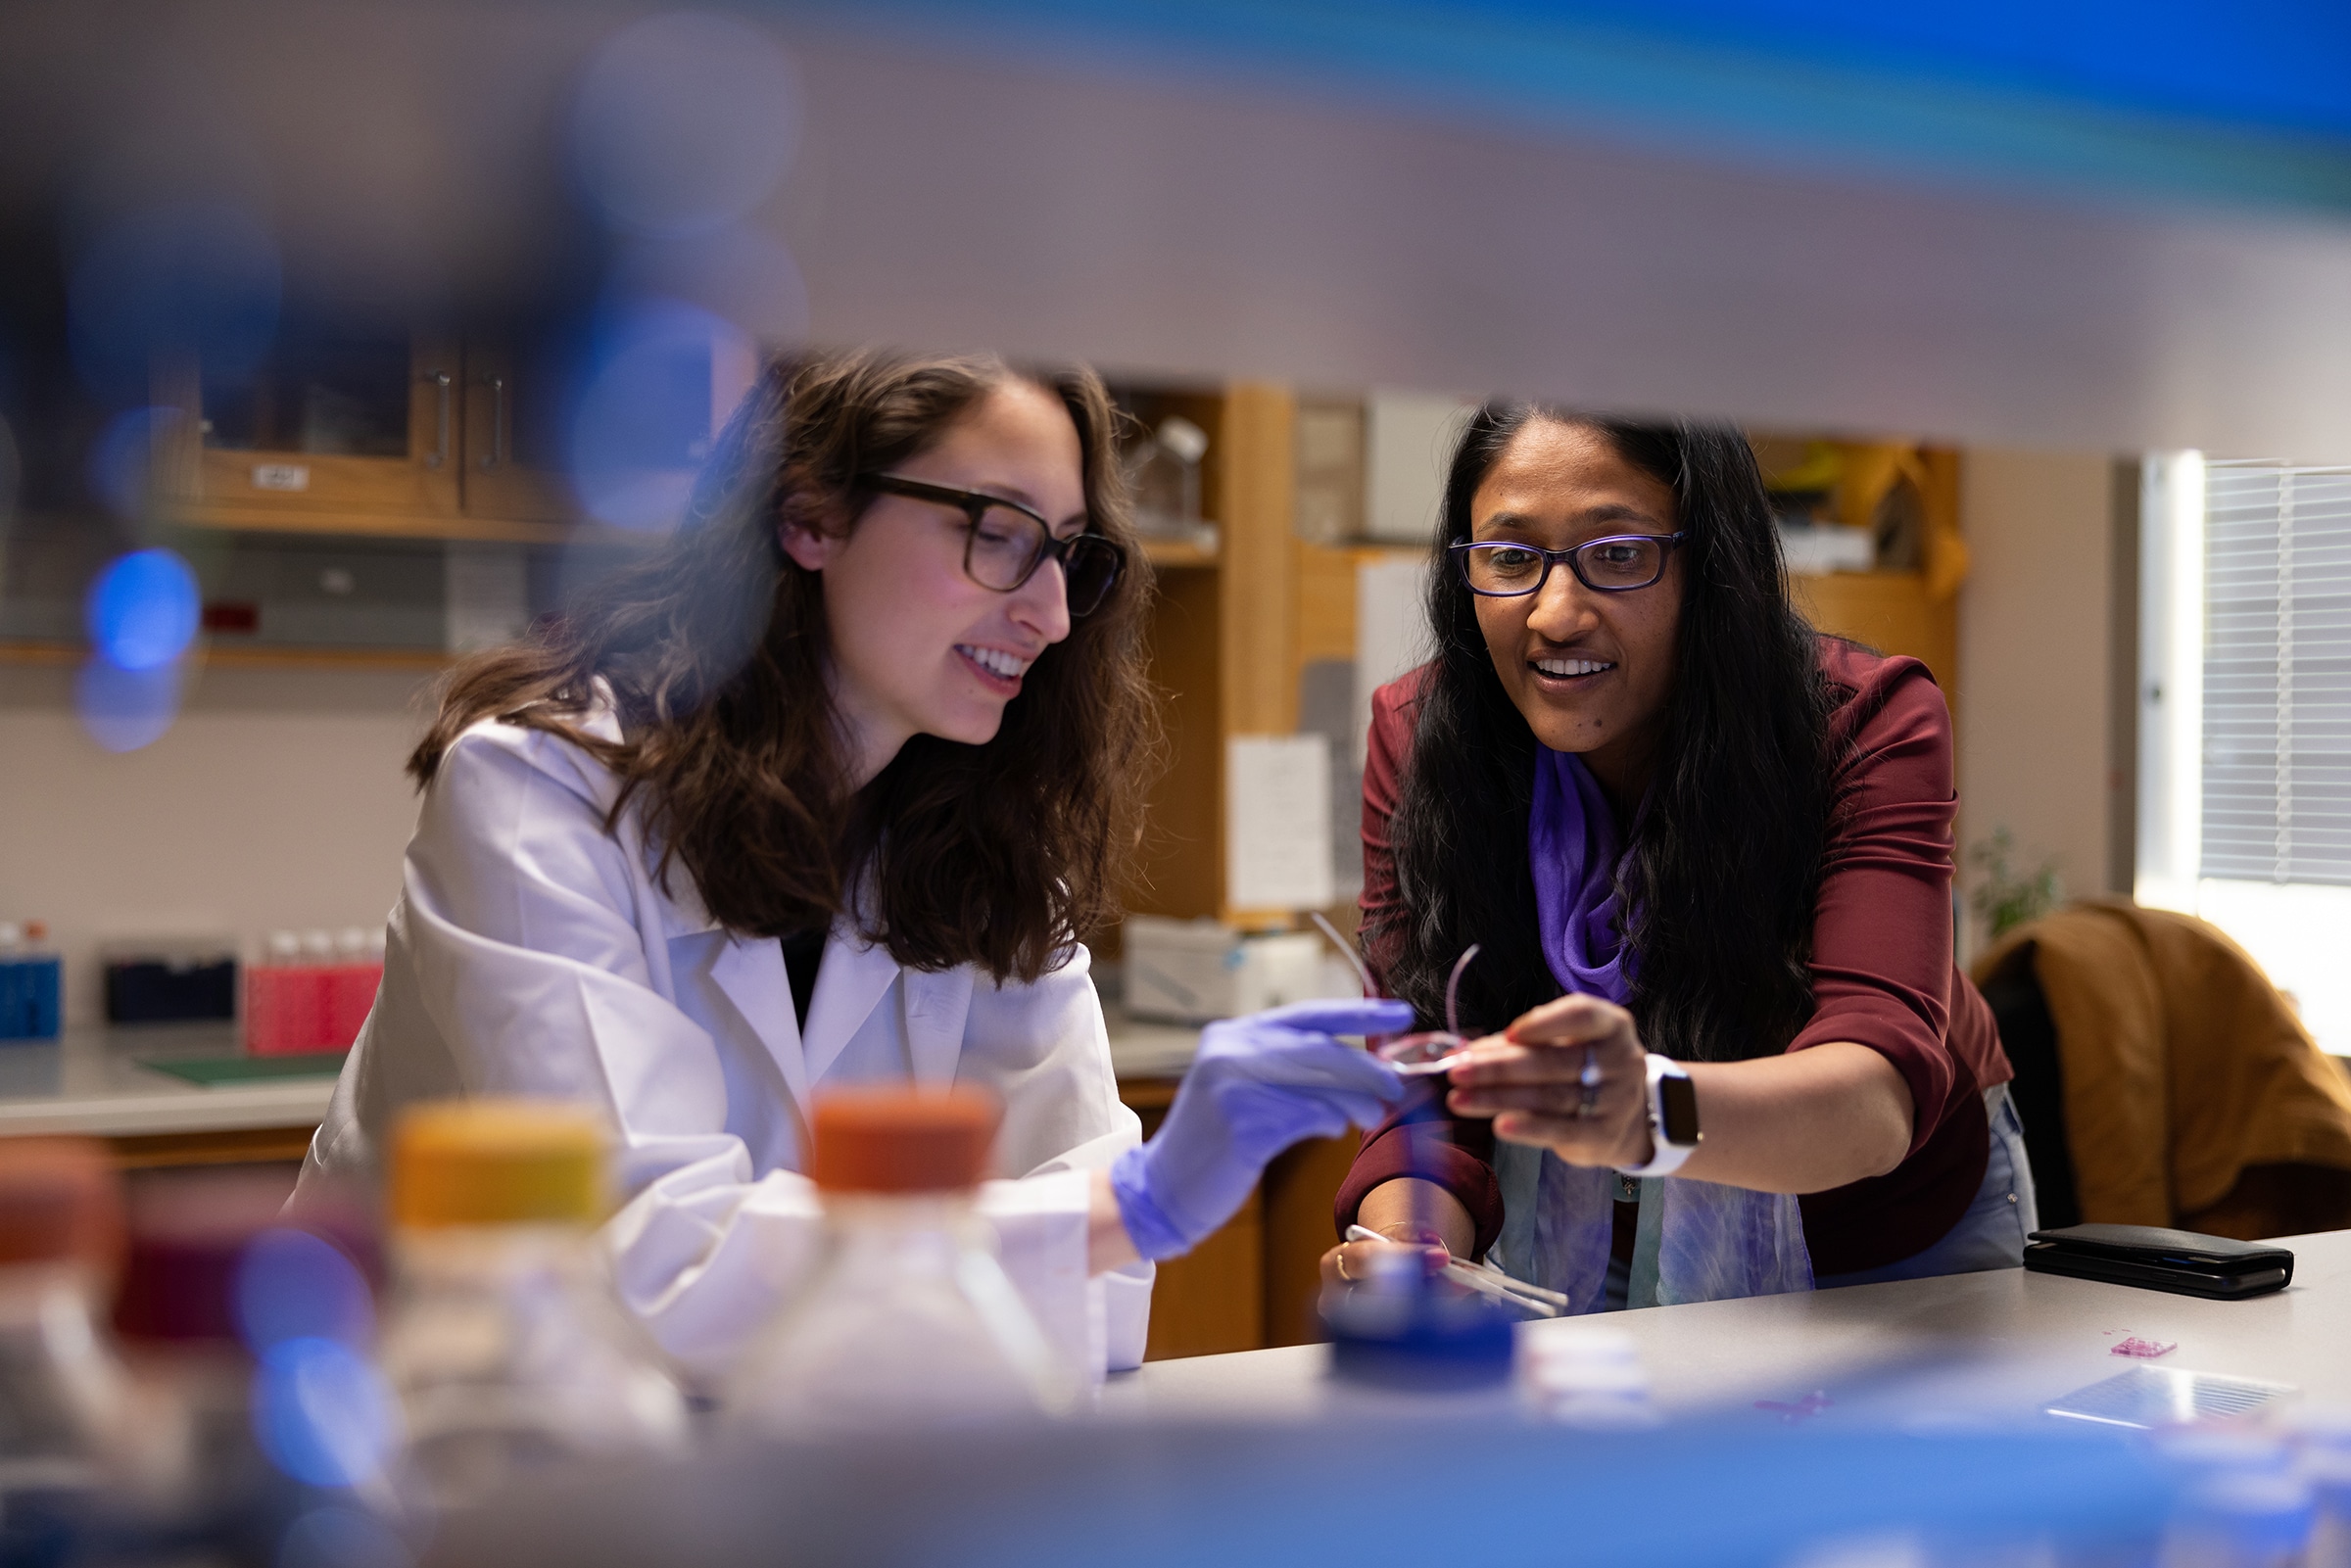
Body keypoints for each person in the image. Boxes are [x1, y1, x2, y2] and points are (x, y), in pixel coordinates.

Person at [297, 350, 1407, 1385]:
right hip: (459, 1442)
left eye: (1069, 550)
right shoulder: (541, 792)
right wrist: (1132, 1203)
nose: (1052, 611)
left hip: (807, 1459)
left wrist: (1104, 1218)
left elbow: (1093, 1293)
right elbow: (643, 1266)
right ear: (810, 512)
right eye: (999, 531)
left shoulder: (982, 829)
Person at [1325, 407, 2032, 1312]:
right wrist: (1406, 1251)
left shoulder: (1862, 724)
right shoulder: (1425, 741)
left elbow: (1873, 1096)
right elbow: (1429, 1083)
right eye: (1510, 558)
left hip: (1887, 1236)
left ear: (1714, 567)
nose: (1555, 613)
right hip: (1590, 1235)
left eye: (1618, 553)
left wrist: (1653, 1111)